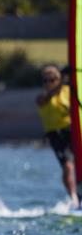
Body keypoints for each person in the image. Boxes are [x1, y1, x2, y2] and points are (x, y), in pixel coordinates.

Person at [36, 63, 80, 209]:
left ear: (58, 79)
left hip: (71, 131)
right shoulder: (42, 98)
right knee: (67, 166)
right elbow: (49, 97)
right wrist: (62, 80)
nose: (49, 83)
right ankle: (73, 197)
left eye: (53, 79)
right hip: (55, 135)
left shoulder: (69, 91)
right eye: (46, 80)